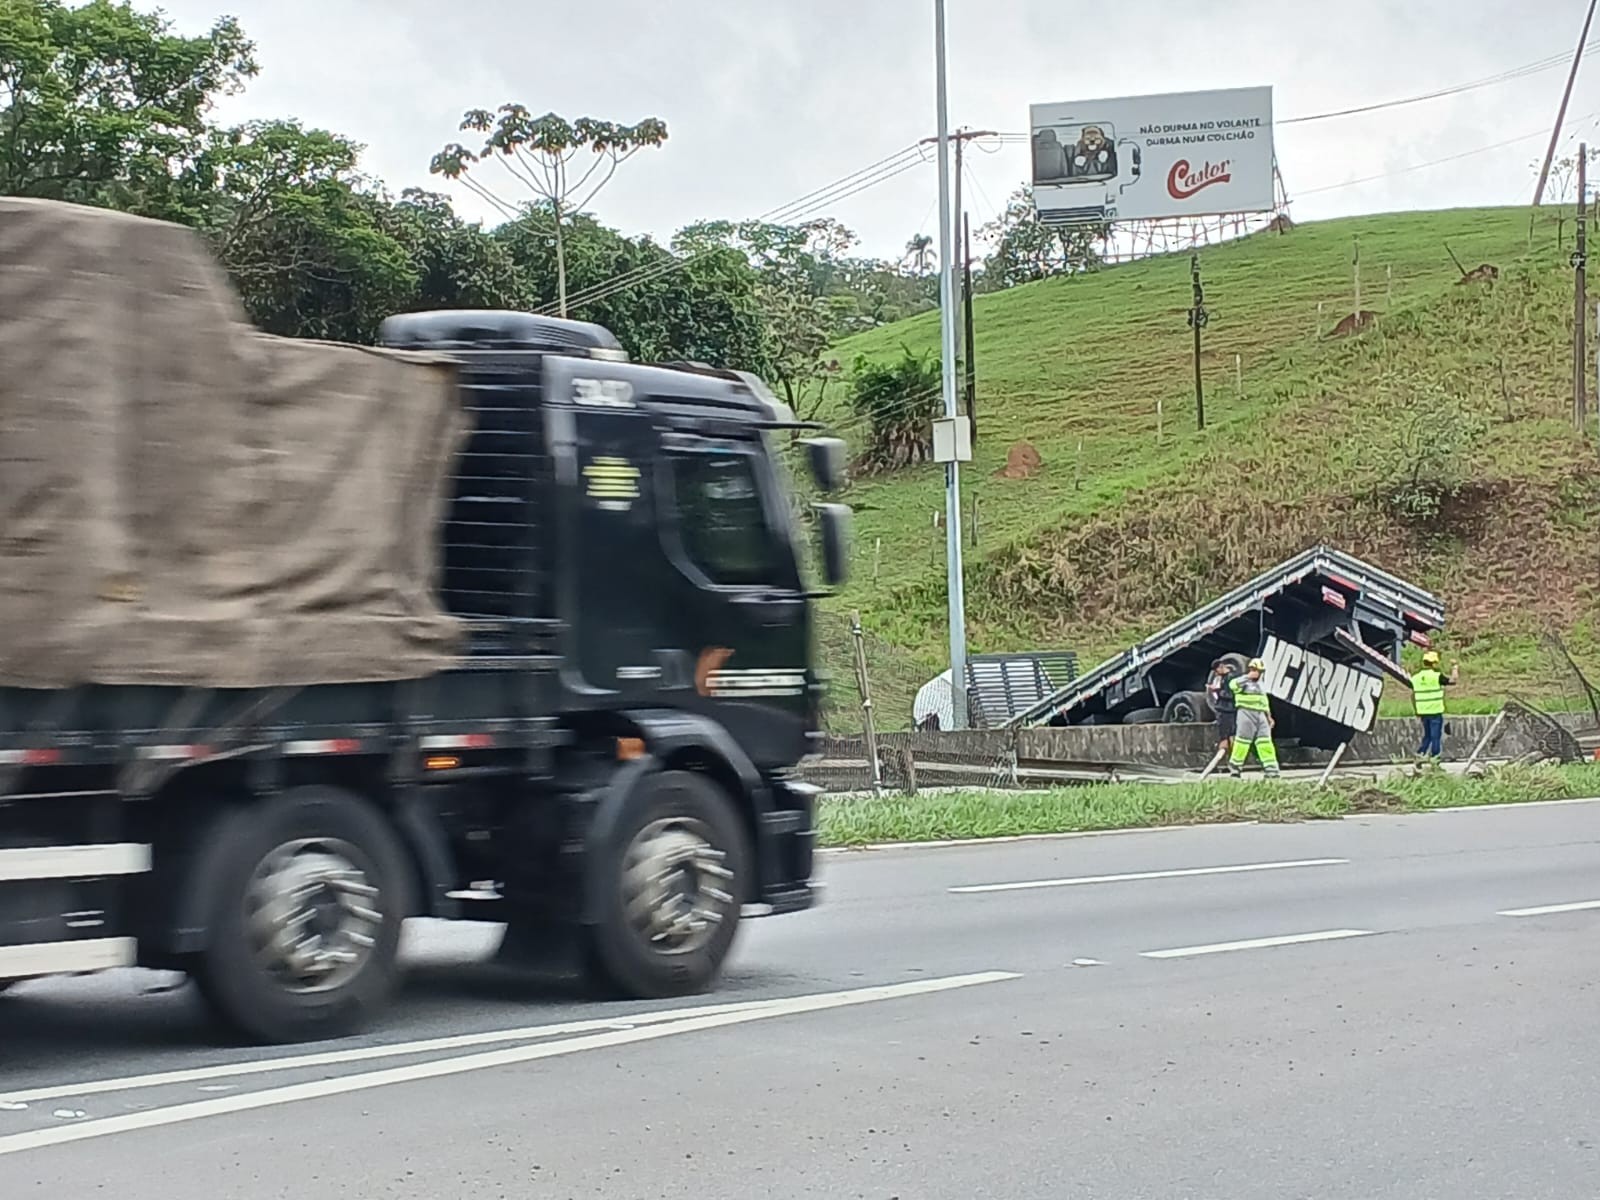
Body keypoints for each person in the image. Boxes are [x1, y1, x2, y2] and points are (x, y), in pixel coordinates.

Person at [1227, 658, 1280, 778]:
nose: (1258, 674)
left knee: (1265, 742)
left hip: (1261, 714)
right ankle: (1235, 768)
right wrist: (1248, 677)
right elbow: (1232, 685)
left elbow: (1264, 701)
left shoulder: (1261, 685)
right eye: (1256, 670)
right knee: (1242, 741)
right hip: (1246, 713)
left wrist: (1269, 717)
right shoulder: (1242, 682)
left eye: (1260, 671)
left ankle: (1271, 770)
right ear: (1251, 669)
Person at [1410, 649, 1459, 765]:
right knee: (1435, 736)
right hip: (1435, 711)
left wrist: (1416, 710)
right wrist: (1455, 667)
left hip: (1422, 711)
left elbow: (1412, 696)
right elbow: (1453, 680)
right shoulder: (1437, 676)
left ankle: (1420, 754)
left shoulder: (1415, 678)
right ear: (1434, 663)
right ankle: (1435, 759)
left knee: (1427, 736)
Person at [1206, 657, 1239, 760]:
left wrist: (1217, 691)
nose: (1216, 674)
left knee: (1227, 735)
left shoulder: (1230, 678)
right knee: (1227, 735)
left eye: (1216, 671)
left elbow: (1230, 695)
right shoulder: (1225, 678)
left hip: (1227, 710)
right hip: (1225, 709)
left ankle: (1230, 757)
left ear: (1221, 667)